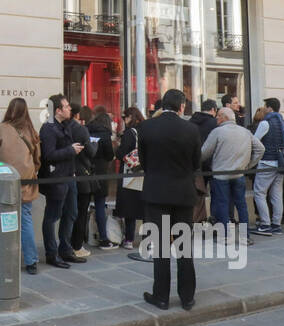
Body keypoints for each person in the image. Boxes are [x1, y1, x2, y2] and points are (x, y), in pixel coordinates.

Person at [138, 89, 201, 311]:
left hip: (156, 193)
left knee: (161, 247)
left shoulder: (146, 127)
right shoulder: (191, 129)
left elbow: (143, 162)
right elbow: (196, 163)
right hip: (183, 193)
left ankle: (161, 296)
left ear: (162, 104)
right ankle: (187, 297)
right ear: (181, 106)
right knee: (184, 247)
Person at [0, 97, 42, 273]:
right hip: (26, 182)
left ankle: (6, 258)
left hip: (5, 182)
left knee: (6, 221)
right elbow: (38, 159)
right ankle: (31, 261)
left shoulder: (2, 129)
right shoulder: (32, 131)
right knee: (25, 221)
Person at [200, 107, 263, 246]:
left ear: (224, 117)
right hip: (239, 173)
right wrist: (248, 165)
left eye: (218, 116)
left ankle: (225, 237)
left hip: (220, 175)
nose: (216, 119)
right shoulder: (245, 132)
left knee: (222, 204)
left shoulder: (217, 132)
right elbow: (260, 149)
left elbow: (204, 153)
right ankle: (244, 237)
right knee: (241, 205)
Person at [39, 95, 85, 267]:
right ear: (57, 110)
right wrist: (70, 150)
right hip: (56, 179)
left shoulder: (66, 125)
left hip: (69, 176)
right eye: (65, 107)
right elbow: (48, 155)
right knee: (52, 216)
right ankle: (52, 253)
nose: (69, 109)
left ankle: (66, 250)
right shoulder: (49, 128)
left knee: (71, 213)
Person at [252, 98, 284, 236]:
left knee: (259, 193)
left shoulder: (265, 123)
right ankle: (276, 224)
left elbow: (255, 141)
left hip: (267, 162)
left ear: (270, 108)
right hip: (281, 163)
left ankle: (265, 224)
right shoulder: (283, 123)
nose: (264, 108)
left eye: (265, 106)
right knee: (276, 194)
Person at [86, 105, 116, 248]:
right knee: (99, 205)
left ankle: (80, 239)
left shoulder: (86, 130)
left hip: (86, 172)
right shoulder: (105, 135)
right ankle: (103, 237)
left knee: (82, 205)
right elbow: (110, 155)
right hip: (101, 172)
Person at [115, 107, 145, 249]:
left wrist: (117, 148)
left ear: (130, 117)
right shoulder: (145, 130)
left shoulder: (129, 133)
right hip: (144, 172)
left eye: (125, 117)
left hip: (129, 174)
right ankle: (147, 239)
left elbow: (122, 153)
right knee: (144, 207)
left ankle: (129, 239)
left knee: (129, 208)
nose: (124, 120)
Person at [68, 105, 94, 257]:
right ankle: (77, 246)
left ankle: (66, 245)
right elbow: (91, 152)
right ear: (77, 115)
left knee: (69, 212)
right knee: (81, 211)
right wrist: (94, 144)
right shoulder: (80, 129)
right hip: (82, 173)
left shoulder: (62, 127)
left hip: (67, 174)